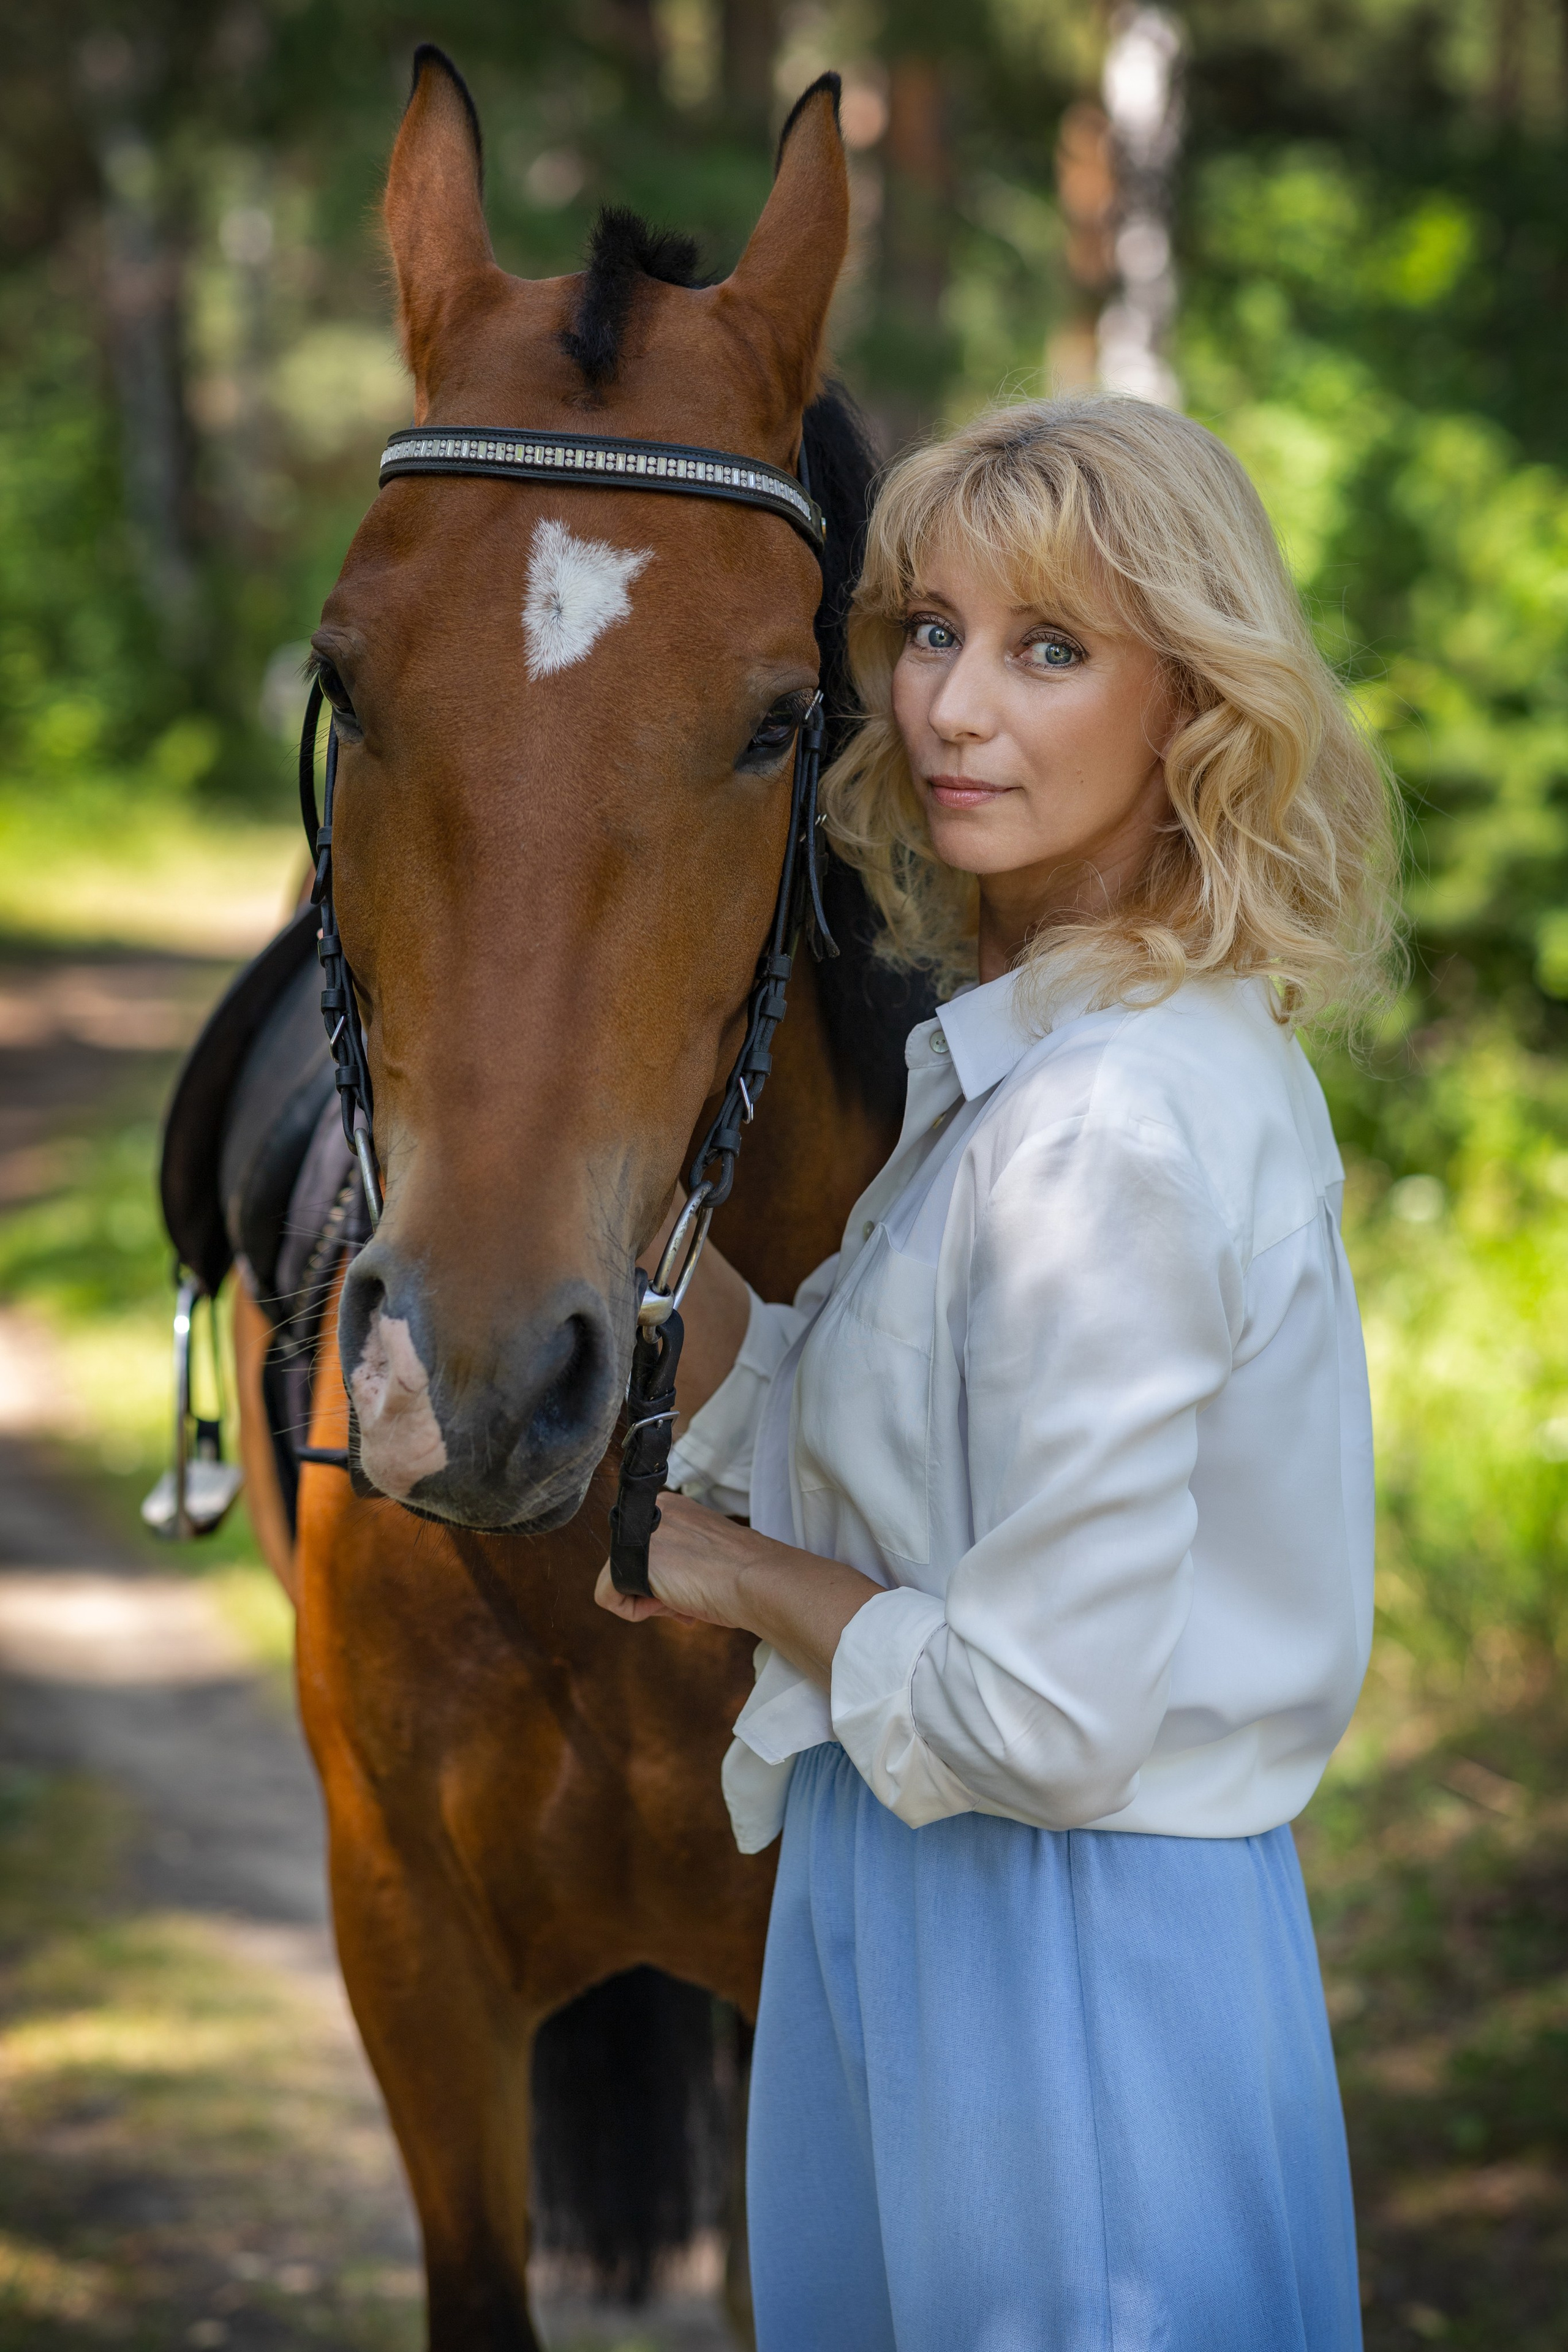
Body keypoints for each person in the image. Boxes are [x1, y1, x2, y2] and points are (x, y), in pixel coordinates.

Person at [596, 394, 1396, 2352]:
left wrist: (709, 1571)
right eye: (930, 632)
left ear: (1192, 707)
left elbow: (1040, 1713)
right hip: (913, 1901)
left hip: (1070, 1967)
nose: (953, 708)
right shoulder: (1024, 1072)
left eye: (1050, 651)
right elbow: (864, 1454)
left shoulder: (1110, 1126)